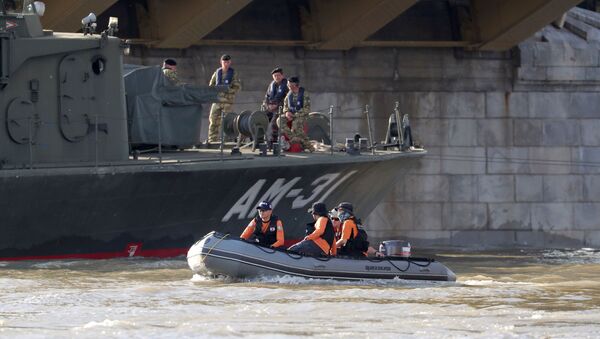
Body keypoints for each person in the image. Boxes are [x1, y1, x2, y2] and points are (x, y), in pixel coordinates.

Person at [208, 54, 241, 143]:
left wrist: (228, 90)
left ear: (230, 62)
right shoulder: (217, 73)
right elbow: (211, 86)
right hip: (217, 101)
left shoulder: (233, 74)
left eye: (227, 62)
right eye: (224, 62)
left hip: (227, 101)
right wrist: (216, 90)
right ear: (221, 62)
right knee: (213, 119)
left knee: (227, 121)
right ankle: (212, 139)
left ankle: (228, 139)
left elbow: (237, 87)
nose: (226, 64)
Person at [280, 76, 313, 152]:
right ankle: (292, 138)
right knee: (280, 120)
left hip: (301, 116)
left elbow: (307, 109)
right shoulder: (289, 94)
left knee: (295, 125)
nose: (288, 86)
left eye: (289, 85)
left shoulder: (304, 94)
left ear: (294, 85)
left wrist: (295, 115)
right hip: (290, 115)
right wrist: (286, 112)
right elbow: (285, 106)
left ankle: (308, 146)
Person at [263, 67, 288, 144]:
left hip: (281, 108)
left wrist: (276, 105)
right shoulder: (271, 86)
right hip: (270, 108)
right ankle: (260, 140)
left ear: (282, 76)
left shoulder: (287, 85)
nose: (277, 77)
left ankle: (273, 142)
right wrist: (268, 106)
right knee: (260, 118)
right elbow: (266, 98)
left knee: (273, 122)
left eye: (278, 75)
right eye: (275, 76)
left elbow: (287, 100)